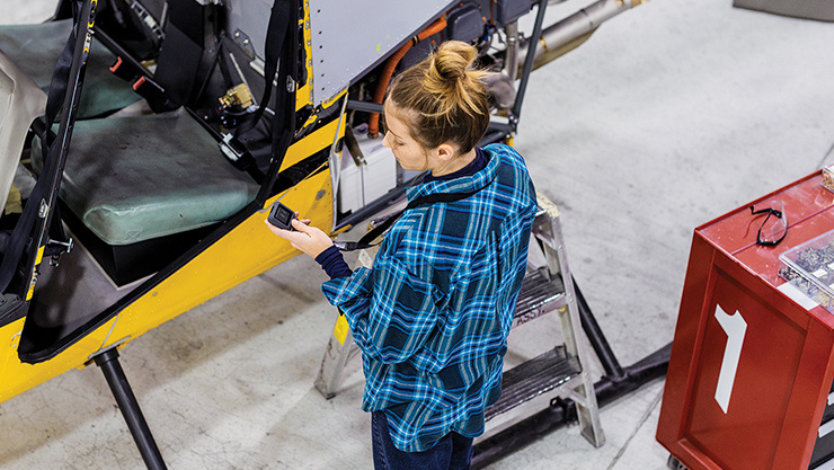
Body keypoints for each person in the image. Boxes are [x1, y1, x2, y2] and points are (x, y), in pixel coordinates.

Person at [266, 40, 538, 470]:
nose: (388, 144)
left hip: (419, 408)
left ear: (443, 150)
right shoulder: (510, 166)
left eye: (398, 139)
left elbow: (385, 341)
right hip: (474, 377)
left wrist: (328, 258)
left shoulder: (417, 240)